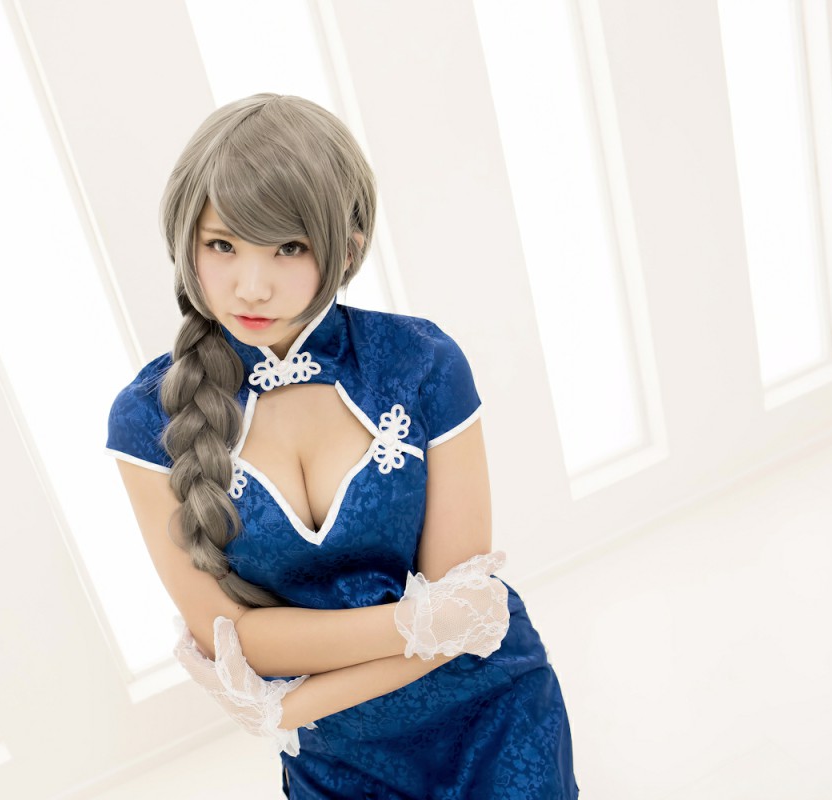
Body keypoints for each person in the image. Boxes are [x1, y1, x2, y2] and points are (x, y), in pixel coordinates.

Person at [105, 93, 578, 799]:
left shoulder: (421, 363)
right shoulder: (148, 421)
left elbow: (465, 621)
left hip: (490, 713)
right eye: (222, 245)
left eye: (288, 247)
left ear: (347, 247)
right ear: (185, 243)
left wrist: (288, 703)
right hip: (336, 759)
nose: (252, 286)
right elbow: (232, 636)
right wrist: (419, 622)